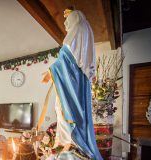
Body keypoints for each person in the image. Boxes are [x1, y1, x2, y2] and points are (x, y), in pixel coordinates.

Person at [42, 8, 102, 160]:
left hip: (72, 85)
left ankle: (71, 142)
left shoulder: (78, 29)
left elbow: (67, 60)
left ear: (75, 18)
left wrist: (51, 72)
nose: (66, 25)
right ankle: (67, 143)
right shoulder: (85, 33)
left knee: (66, 109)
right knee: (63, 109)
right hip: (74, 83)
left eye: (67, 21)